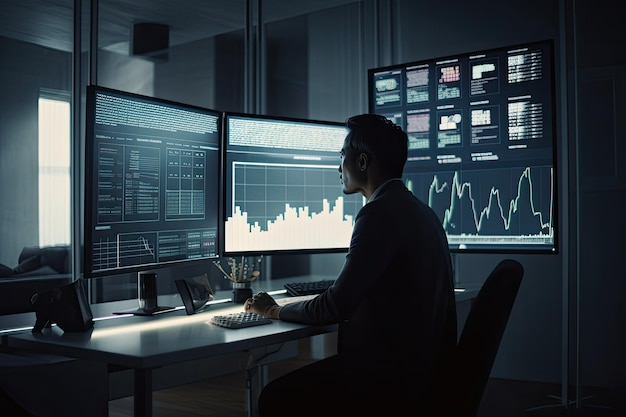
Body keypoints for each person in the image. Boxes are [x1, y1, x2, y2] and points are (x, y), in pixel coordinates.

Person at [245, 114, 457, 417]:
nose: (338, 167)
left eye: (342, 156)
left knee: (275, 398)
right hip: (423, 376)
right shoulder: (422, 211)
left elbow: (335, 306)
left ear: (362, 162)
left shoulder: (378, 214)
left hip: (387, 384)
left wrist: (273, 310)